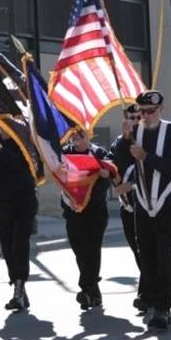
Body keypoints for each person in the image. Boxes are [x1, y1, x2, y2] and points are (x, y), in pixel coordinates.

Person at [112, 90, 171, 330]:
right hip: (142, 203)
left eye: (151, 111)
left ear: (161, 109)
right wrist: (124, 140)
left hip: (167, 202)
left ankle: (164, 305)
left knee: (164, 253)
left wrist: (146, 156)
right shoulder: (135, 132)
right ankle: (153, 301)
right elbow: (123, 163)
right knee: (147, 255)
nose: (146, 115)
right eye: (142, 111)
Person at [0, 130, 39, 312]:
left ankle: (19, 288)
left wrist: (1, 152)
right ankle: (18, 285)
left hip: (24, 200)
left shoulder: (24, 139)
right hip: (2, 201)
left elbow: (25, 166)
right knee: (7, 246)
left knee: (20, 244)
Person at [61, 129, 114, 311]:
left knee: (91, 249)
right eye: (73, 136)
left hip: (95, 212)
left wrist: (105, 173)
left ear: (89, 135)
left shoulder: (99, 153)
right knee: (80, 252)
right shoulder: (65, 153)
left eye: (80, 135)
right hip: (72, 211)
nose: (76, 139)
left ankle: (85, 288)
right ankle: (94, 291)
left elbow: (109, 177)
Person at [113, 103, 146, 312]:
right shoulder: (120, 141)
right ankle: (148, 289)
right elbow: (117, 164)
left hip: (147, 205)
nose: (134, 121)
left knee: (147, 250)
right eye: (131, 118)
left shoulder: (149, 140)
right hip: (127, 207)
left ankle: (146, 292)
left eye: (137, 117)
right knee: (137, 250)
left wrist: (132, 184)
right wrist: (125, 140)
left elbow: (149, 169)